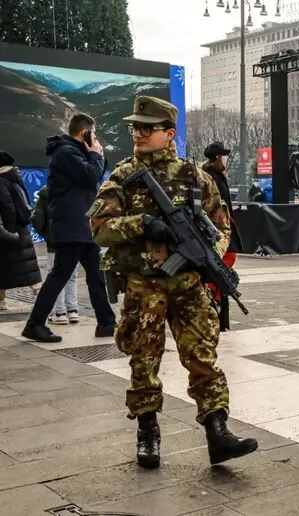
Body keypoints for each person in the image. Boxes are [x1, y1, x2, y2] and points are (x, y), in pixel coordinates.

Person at [89, 96, 258, 468]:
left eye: (146, 128)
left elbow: (222, 225)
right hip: (143, 285)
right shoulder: (122, 175)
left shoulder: (197, 177)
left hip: (187, 283)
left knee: (203, 357)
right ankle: (147, 432)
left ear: (168, 134)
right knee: (143, 360)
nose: (138, 133)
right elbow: (100, 229)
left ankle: (217, 430)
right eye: (135, 127)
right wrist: (140, 224)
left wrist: (206, 255)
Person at [22, 114, 115, 343]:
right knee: (59, 276)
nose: (95, 137)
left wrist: (96, 154)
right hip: (72, 226)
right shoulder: (65, 152)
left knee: (95, 276)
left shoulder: (76, 153)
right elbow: (90, 175)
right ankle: (34, 324)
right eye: (93, 132)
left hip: (82, 226)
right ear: (84, 132)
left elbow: (95, 174)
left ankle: (106, 322)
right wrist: (94, 154)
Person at [203, 141, 244, 332]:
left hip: (219, 230)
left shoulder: (211, 176)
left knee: (221, 270)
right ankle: (216, 307)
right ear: (218, 158)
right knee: (221, 269)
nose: (226, 159)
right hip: (219, 232)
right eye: (224, 156)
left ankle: (217, 309)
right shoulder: (214, 178)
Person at [31, 184, 79, 324]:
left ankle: (60, 313)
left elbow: (37, 219)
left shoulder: (46, 192)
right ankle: (73, 310)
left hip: (55, 242)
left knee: (55, 276)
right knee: (72, 276)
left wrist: (46, 234)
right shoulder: (76, 189)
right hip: (74, 240)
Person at [0, 151, 42, 312]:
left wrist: (8, 232)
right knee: (28, 267)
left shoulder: (1, 182)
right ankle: (41, 295)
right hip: (22, 228)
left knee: (4, 269)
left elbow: (7, 207)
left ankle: (2, 303)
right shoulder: (14, 178)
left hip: (9, 231)